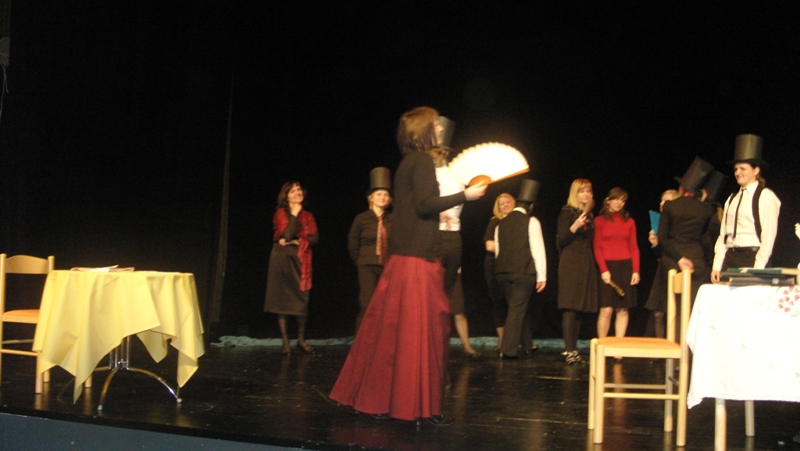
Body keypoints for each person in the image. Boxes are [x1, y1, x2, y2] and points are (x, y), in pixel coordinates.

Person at [330, 106, 487, 425]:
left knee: (395, 330)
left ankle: (389, 401)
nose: (440, 129)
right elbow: (425, 205)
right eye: (435, 125)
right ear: (423, 130)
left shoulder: (409, 162)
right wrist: (466, 196)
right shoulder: (422, 161)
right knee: (420, 331)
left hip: (408, 256)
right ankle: (412, 404)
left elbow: (415, 208)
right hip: (415, 260)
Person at [646, 157, 716, 338]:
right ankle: (689, 349)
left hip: (673, 258)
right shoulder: (706, 210)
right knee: (691, 308)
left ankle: (674, 348)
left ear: (682, 189)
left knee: (673, 308)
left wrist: (679, 258)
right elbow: (706, 238)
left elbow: (663, 238)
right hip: (696, 260)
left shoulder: (671, 206)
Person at [431, 143, 481, 359]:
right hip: (436, 234)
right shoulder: (429, 175)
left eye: (441, 153)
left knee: (452, 300)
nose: (439, 157)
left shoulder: (455, 175)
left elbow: (465, 197)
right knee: (433, 295)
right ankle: (432, 343)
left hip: (451, 236)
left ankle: (463, 345)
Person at [711, 134, 781, 283]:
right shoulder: (732, 199)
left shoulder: (766, 196)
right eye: (736, 169)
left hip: (752, 256)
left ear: (756, 171)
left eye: (742, 168)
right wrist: (717, 265)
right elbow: (723, 235)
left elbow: (768, 236)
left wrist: (758, 268)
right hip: (730, 257)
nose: (737, 172)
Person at [264, 181, 319, 356]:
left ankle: (301, 339)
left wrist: (297, 241)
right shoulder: (281, 213)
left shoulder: (308, 216)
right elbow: (285, 235)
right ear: (286, 196)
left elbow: (315, 238)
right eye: (293, 191)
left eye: (299, 190)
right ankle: (285, 341)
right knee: (282, 300)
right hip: (282, 259)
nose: (297, 192)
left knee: (301, 299)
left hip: (301, 259)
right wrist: (294, 214)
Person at [494, 179, 546, 359]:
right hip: (523, 273)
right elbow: (537, 249)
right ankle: (507, 350)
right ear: (530, 206)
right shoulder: (531, 221)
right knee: (516, 310)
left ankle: (527, 344)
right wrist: (542, 276)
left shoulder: (500, 223)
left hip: (502, 273)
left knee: (517, 308)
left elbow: (498, 251)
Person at [556, 179, 598, 365]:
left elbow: (590, 239)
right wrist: (574, 226)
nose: (586, 194)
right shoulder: (567, 212)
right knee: (570, 306)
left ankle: (574, 350)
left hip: (585, 261)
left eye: (588, 191)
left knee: (580, 307)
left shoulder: (589, 215)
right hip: (571, 262)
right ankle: (569, 350)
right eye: (582, 191)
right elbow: (561, 240)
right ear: (575, 194)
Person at [593, 188, 640, 347]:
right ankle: (602, 345)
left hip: (625, 266)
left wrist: (636, 270)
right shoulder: (599, 221)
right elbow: (597, 247)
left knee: (622, 309)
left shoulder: (629, 221)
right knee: (606, 310)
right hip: (607, 266)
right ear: (608, 200)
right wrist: (603, 270)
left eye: (622, 200)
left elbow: (634, 247)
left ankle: (618, 347)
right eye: (616, 199)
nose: (619, 203)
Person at [347, 167, 392, 333]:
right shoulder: (361, 218)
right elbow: (353, 243)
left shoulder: (393, 219)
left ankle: (383, 338)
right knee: (367, 304)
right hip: (367, 265)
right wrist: (360, 261)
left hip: (387, 267)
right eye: (379, 194)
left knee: (386, 304)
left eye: (385, 194)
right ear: (371, 198)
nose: (382, 197)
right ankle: (362, 339)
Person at [484, 193, 515, 353]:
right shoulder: (495, 222)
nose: (505, 205)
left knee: (514, 303)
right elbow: (489, 246)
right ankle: (502, 341)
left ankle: (514, 340)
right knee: (499, 303)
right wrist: (511, 248)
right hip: (495, 266)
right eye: (502, 203)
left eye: (508, 202)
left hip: (513, 266)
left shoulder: (519, 222)